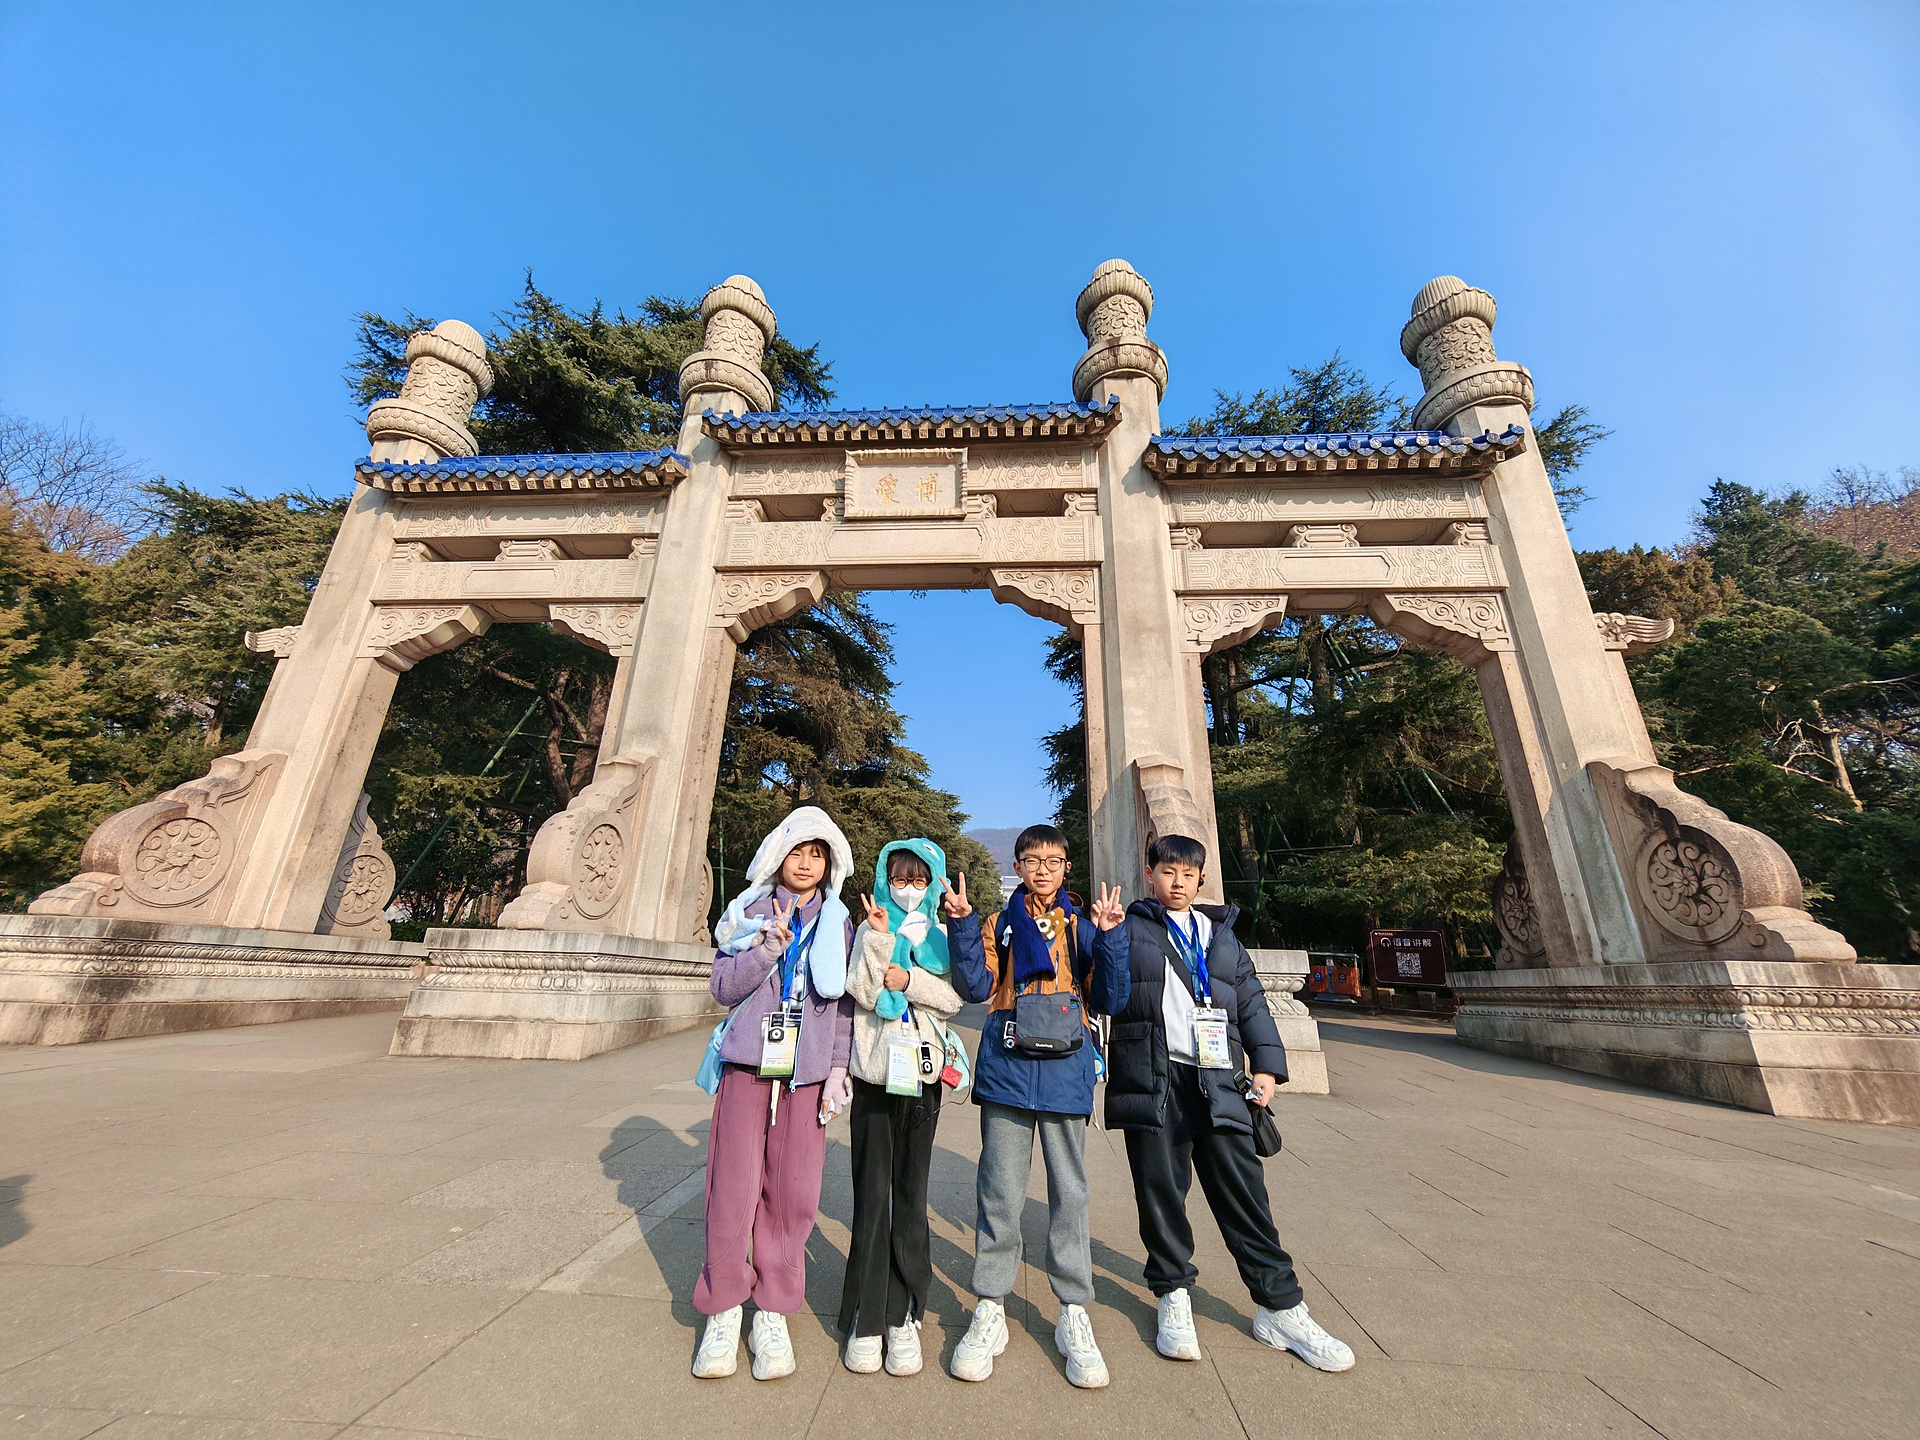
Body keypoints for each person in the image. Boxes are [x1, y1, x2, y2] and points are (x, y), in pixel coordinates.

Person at [1101, 832, 1356, 1373]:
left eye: (1188, 874)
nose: (1177, 882)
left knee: (1245, 1193)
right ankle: (1173, 1295)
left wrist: (1266, 1066)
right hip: (1154, 1077)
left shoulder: (1221, 936)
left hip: (1218, 1078)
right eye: (1167, 872)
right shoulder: (1128, 927)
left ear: (1200, 879)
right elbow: (1107, 994)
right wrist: (1105, 939)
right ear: (1150, 874)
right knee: (1160, 1193)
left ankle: (1280, 1306)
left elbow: (1251, 1001)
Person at [946, 822, 1129, 1389]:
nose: (1043, 870)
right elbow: (975, 988)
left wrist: (1111, 939)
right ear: (1019, 867)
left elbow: (1110, 997)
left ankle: (1073, 1309)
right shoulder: (998, 923)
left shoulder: (1081, 926)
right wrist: (961, 925)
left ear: (1066, 867)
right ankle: (990, 1305)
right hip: (1007, 1066)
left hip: (1066, 1069)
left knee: (1070, 1191)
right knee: (999, 1189)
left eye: (1053, 861)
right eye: (1032, 861)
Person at [691, 806, 857, 1382]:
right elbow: (720, 987)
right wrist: (764, 952)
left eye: (818, 854)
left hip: (806, 1077)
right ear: (778, 854)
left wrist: (838, 1070)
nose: (806, 864)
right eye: (798, 851)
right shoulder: (747, 912)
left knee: (793, 1195)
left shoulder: (837, 923)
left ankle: (774, 1309)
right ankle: (722, 1307)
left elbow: (842, 1007)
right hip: (747, 1068)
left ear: (830, 864)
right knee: (731, 1189)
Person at [838, 839, 976, 1376]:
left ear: (933, 883)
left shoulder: (938, 935)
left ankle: (904, 1312)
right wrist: (878, 941)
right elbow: (860, 989)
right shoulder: (870, 927)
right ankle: (868, 1314)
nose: (909, 889)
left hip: (921, 1075)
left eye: (920, 880)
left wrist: (910, 980)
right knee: (871, 1195)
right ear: (884, 878)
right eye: (900, 878)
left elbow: (955, 999)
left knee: (911, 1194)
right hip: (875, 1074)